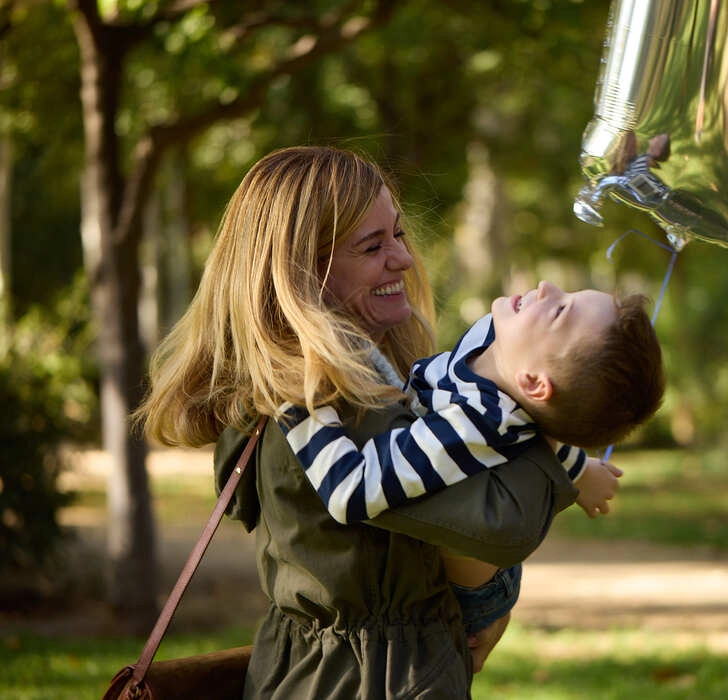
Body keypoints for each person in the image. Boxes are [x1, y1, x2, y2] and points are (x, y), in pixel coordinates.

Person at [135, 145, 585, 698]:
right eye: (372, 246)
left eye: (397, 234)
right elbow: (495, 526)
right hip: (365, 681)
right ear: (301, 274)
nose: (402, 257)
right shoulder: (327, 398)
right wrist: (553, 445)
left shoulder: (346, 380)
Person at [278, 280, 665, 635]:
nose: (547, 287)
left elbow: (352, 490)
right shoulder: (501, 344)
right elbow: (546, 420)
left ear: (532, 382)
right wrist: (581, 471)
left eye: (559, 311)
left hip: (477, 593)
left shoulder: (473, 426)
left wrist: (292, 396)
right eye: (569, 294)